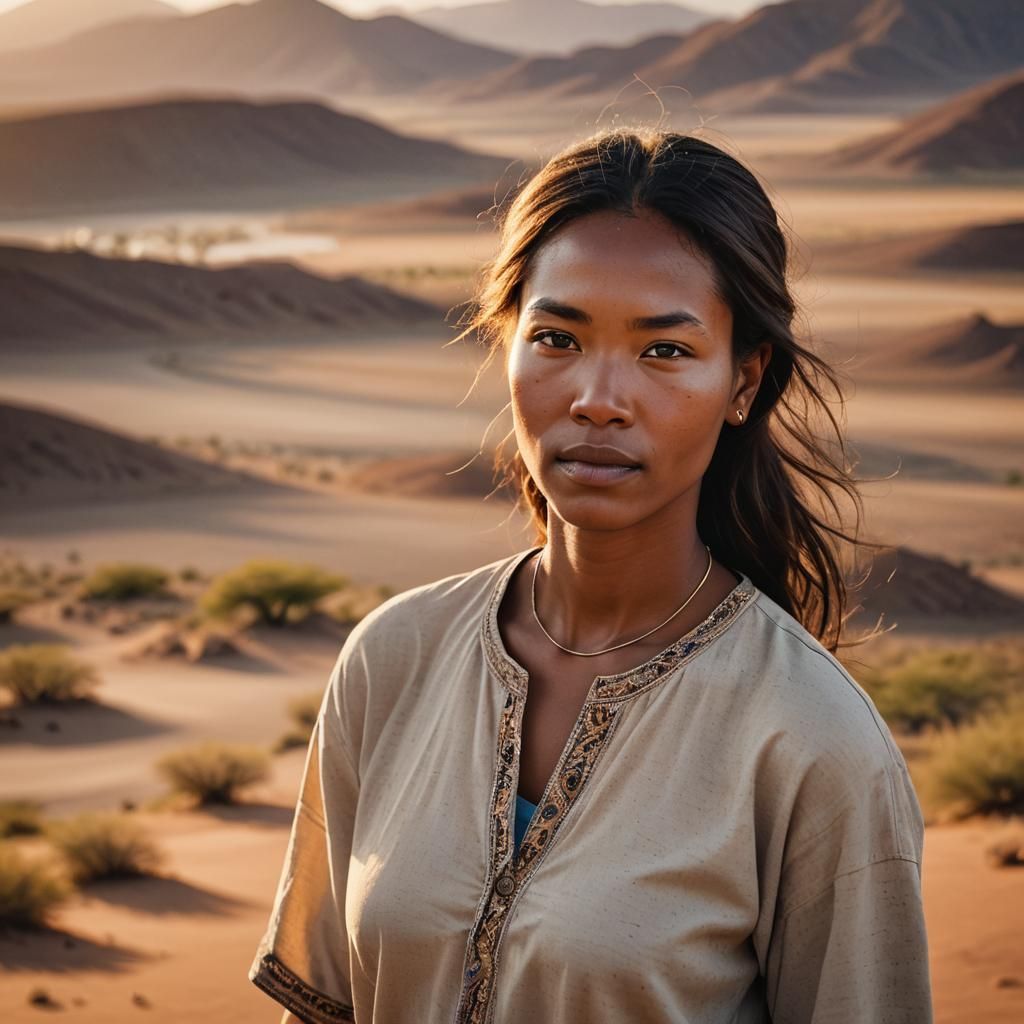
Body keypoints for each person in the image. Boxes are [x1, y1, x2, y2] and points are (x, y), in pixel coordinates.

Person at [249, 128, 932, 1024]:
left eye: (665, 351)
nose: (598, 400)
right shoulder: (393, 660)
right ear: (506, 348)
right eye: (557, 338)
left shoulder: (813, 740)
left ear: (744, 381)